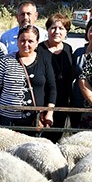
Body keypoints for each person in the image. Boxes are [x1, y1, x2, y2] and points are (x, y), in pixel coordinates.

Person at [0, 25, 55, 131]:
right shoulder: (6, 60)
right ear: (17, 41)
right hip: (7, 118)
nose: (26, 44)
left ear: (37, 43)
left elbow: (52, 88)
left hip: (34, 119)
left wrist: (50, 113)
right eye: (22, 40)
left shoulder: (44, 61)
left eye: (30, 41)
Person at [37, 13, 73, 141]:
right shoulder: (39, 49)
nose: (57, 31)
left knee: (58, 138)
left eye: (61, 28)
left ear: (66, 32)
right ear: (47, 30)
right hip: (44, 102)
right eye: (53, 28)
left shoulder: (68, 49)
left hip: (63, 102)